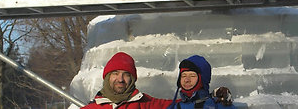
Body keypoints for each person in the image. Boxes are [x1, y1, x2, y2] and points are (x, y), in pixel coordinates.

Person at [81, 52, 232, 109]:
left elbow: (182, 104)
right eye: (115, 73)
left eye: (126, 74)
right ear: (107, 77)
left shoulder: (145, 103)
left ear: (132, 79)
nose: (120, 79)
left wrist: (211, 96)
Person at [167, 55, 235, 109]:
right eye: (183, 76)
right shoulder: (175, 107)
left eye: (192, 76)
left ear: (203, 80)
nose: (186, 80)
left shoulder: (219, 105)